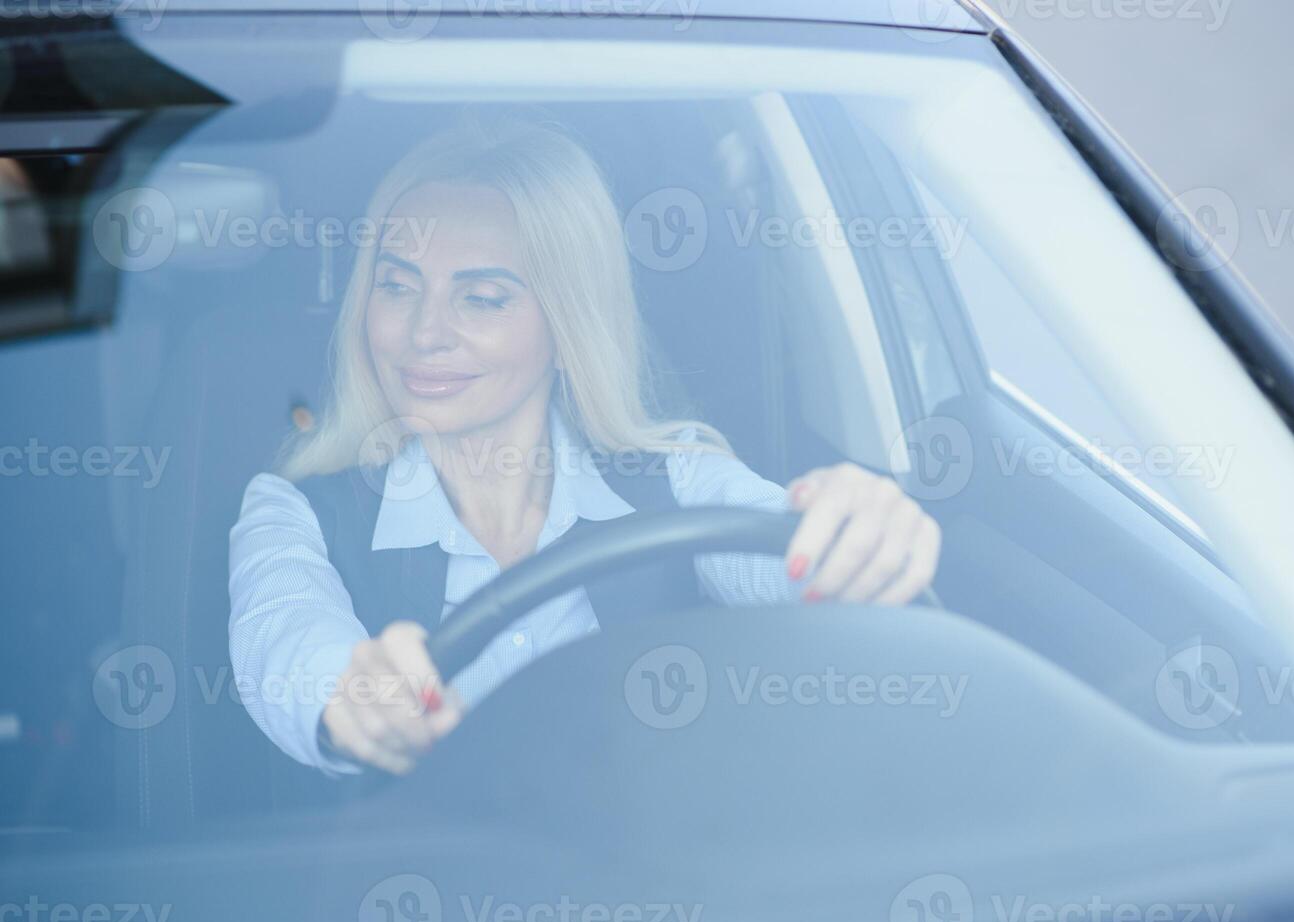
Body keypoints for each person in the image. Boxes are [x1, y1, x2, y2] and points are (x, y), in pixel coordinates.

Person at [228, 117, 941, 775]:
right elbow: (287, 641)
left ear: (569, 324)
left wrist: (855, 536)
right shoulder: (293, 513)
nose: (424, 333)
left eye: (482, 297)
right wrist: (351, 693)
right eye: (397, 286)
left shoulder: (678, 479)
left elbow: (788, 563)